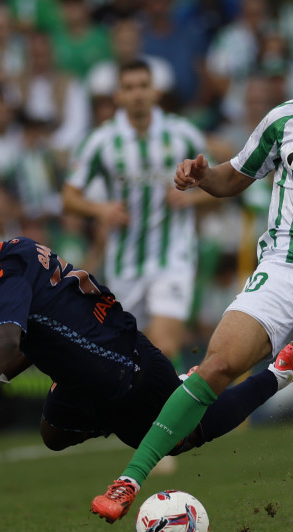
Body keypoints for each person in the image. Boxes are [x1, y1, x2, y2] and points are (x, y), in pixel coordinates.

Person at [90, 21, 293, 532]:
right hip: (283, 269)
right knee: (216, 365)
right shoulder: (286, 120)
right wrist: (201, 175)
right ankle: (130, 477)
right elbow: (232, 177)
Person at [0, 204, 293, 460]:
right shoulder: (18, 252)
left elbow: (7, 339)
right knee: (53, 433)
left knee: (183, 438)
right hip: (87, 377)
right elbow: (31, 336)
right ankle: (150, 400)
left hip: (127, 366)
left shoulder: (0, 285)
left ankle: (280, 370)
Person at [62, 59, 215, 364]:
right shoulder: (100, 141)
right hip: (125, 262)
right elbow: (68, 197)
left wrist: (192, 199)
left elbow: (217, 187)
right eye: (129, 88)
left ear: (155, 91)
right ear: (118, 95)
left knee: (164, 348)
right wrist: (100, 209)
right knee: (133, 355)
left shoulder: (183, 134)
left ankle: (171, 412)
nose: (137, 94)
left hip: (174, 256)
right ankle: (154, 411)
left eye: (143, 86)